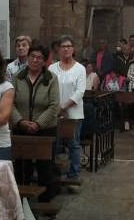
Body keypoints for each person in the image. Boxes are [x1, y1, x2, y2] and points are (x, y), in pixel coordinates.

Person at [10, 43, 59, 200]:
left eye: (40, 58)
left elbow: (54, 106)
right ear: (28, 57)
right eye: (33, 56)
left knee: (45, 168)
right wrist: (21, 121)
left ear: (45, 61)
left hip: (45, 130)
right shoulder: (18, 77)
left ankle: (46, 202)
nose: (35, 60)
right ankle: (22, 202)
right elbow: (10, 103)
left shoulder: (51, 78)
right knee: (22, 167)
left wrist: (38, 123)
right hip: (21, 129)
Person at [49, 35, 87, 179]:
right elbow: (49, 89)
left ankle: (74, 175)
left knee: (73, 144)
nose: (66, 49)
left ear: (73, 49)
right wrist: (56, 108)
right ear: (58, 50)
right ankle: (55, 173)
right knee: (55, 144)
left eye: (68, 46)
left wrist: (63, 107)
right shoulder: (52, 68)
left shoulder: (80, 69)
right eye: (63, 46)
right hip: (55, 113)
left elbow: (79, 92)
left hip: (74, 114)